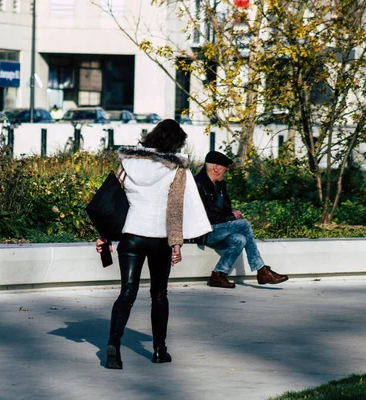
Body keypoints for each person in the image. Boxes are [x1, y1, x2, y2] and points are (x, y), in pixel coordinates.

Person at [96, 119, 211, 369]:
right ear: (175, 142)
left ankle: (113, 343)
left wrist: (104, 235)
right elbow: (176, 208)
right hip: (160, 240)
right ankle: (159, 350)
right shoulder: (176, 168)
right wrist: (177, 244)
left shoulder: (129, 162)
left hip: (132, 236)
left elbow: (112, 201)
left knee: (127, 293)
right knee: (159, 294)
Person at [194, 151, 289, 289]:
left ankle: (218, 275)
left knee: (239, 239)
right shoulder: (197, 185)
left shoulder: (221, 185)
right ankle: (261, 270)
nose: (225, 173)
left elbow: (225, 210)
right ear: (216, 168)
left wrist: (231, 214)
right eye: (225, 170)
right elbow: (205, 216)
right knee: (244, 224)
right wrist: (231, 216)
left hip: (218, 230)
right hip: (204, 232)